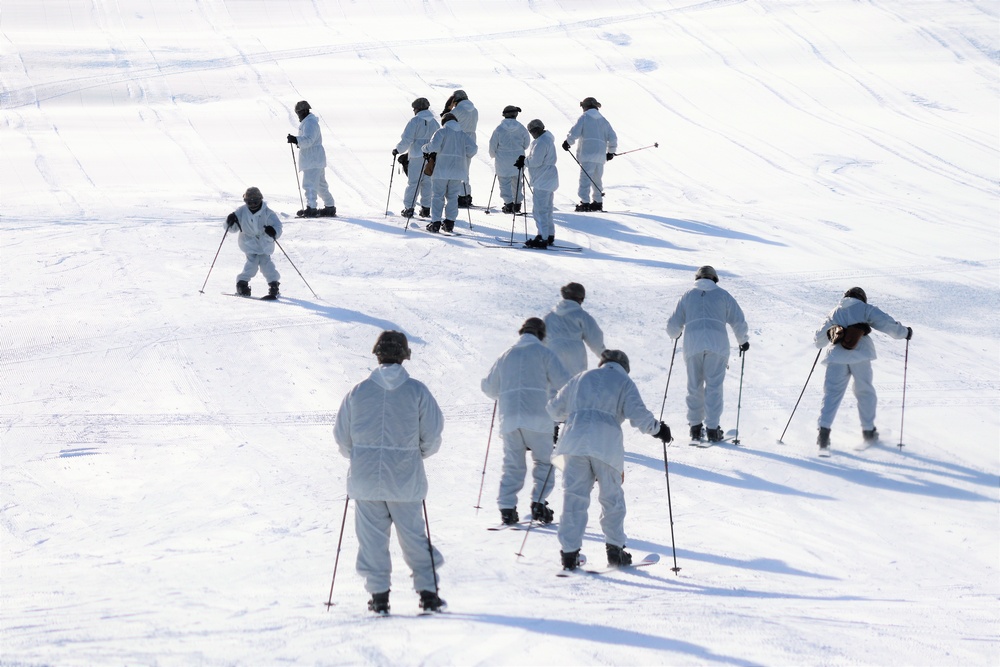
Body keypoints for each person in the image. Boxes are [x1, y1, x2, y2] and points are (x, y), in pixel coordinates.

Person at [333, 331, 446, 614]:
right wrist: (414, 456)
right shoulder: (417, 391)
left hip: (365, 479)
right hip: (405, 479)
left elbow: (342, 438)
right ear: (404, 356)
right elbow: (432, 436)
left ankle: (379, 596)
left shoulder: (357, 392)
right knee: (413, 537)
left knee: (371, 539)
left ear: (377, 354)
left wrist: (361, 457)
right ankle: (428, 594)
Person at [546, 349, 672, 570]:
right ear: (625, 367)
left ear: (603, 362)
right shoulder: (624, 382)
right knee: (611, 498)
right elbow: (638, 415)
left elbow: (554, 410)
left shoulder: (580, 378)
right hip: (606, 445)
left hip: (574, 442)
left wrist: (573, 414)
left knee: (574, 498)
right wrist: (659, 430)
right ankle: (615, 551)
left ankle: (569, 554)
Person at [481, 318, 571, 525]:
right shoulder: (545, 354)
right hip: (539, 418)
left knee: (513, 465)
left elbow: (490, 388)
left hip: (510, 420)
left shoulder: (505, 356)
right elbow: (565, 384)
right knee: (544, 462)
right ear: (541, 335)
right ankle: (539, 503)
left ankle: (507, 507)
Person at [813, 287, 912, 451]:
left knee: (832, 394)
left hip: (836, 357)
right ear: (862, 298)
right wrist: (905, 333)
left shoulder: (834, 312)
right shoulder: (865, 309)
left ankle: (823, 434)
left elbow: (818, 340)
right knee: (864, 391)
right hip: (861, 355)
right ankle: (868, 432)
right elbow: (886, 323)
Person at [665, 265, 750, 443]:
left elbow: (673, 326)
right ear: (714, 278)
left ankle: (695, 428)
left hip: (693, 344)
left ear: (697, 278)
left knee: (694, 385)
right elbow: (738, 319)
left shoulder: (687, 296)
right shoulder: (723, 295)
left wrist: (676, 333)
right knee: (714, 386)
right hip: (717, 344)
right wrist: (743, 341)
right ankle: (712, 429)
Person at [421, 112, 477, 233]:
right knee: (452, 197)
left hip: (442, 170)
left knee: (437, 196)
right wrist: (464, 153)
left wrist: (424, 148)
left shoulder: (441, 132)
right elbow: (473, 149)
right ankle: (449, 223)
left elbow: (433, 146)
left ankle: (435, 222)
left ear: (444, 122)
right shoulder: (463, 135)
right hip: (458, 171)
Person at [225, 187, 282, 299]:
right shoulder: (241, 211)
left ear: (260, 199)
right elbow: (233, 229)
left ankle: (274, 284)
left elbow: (278, 226)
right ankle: (242, 284)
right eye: (249, 202)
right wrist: (230, 222)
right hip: (248, 243)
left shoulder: (268, 213)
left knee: (266, 264)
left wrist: (273, 231)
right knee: (252, 263)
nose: (252, 204)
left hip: (264, 243)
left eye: (255, 201)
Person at [562, 97, 617, 212]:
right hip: (600, 156)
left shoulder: (585, 118)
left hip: (587, 154)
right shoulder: (604, 121)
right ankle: (597, 202)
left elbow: (575, 132)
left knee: (585, 180)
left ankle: (585, 202)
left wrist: (568, 142)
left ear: (586, 106)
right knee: (597, 179)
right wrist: (611, 152)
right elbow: (613, 137)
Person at [543, 282, 606, 377]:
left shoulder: (549, 317)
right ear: (580, 298)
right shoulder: (581, 315)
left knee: (553, 383)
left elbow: (540, 339)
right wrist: (603, 356)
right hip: (575, 353)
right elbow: (594, 337)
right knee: (574, 384)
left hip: (553, 351)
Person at [287, 100, 336, 218]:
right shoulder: (309, 122)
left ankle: (311, 208)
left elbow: (309, 140)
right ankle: (329, 207)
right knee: (320, 185)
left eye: (298, 112)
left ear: (304, 111)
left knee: (309, 184)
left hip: (312, 159)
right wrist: (296, 140)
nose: (298, 115)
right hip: (315, 158)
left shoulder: (310, 123)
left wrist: (296, 140)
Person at [393, 97, 439, 219]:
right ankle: (426, 208)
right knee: (428, 182)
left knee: (414, 183)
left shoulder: (415, 121)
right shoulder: (435, 122)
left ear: (417, 109)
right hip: (431, 157)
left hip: (416, 156)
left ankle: (409, 208)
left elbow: (407, 139)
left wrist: (398, 150)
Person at [521, 119, 559, 248]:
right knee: (547, 209)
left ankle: (542, 237)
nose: (531, 134)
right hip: (548, 178)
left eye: (531, 131)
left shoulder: (542, 142)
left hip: (543, 179)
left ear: (536, 130)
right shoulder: (546, 140)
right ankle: (549, 234)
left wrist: (524, 162)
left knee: (539, 210)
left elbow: (536, 161)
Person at [488, 105, 531, 214]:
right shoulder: (521, 128)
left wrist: (493, 154)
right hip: (518, 159)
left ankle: (508, 204)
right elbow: (526, 144)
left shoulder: (499, 129)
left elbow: (492, 145)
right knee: (517, 182)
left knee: (504, 182)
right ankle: (517, 204)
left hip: (502, 160)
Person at [442, 89, 479, 208]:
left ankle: (462, 196)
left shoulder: (457, 110)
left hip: (458, 139)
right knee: (466, 167)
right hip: (471, 139)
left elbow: (445, 122)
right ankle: (466, 194)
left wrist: (447, 109)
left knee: (459, 168)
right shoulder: (474, 110)